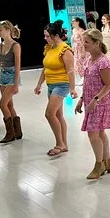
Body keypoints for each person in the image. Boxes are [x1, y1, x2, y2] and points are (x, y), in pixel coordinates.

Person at [75, 29, 110, 180]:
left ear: (97, 43)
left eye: (87, 42)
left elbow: (109, 84)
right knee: (99, 132)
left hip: (102, 102)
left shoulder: (103, 62)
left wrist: (96, 99)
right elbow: (87, 83)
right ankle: (107, 161)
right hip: (91, 101)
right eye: (83, 41)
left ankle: (99, 164)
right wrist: (81, 99)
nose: (83, 44)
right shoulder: (89, 60)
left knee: (93, 133)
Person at [34, 20, 77, 157]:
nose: (45, 38)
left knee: (49, 114)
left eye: (48, 36)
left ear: (56, 36)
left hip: (61, 85)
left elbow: (70, 71)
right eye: (45, 36)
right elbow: (45, 67)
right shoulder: (49, 48)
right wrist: (39, 84)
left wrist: (72, 88)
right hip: (51, 85)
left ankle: (59, 144)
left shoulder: (65, 50)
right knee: (58, 115)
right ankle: (64, 144)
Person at [0, 21, 22, 144]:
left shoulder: (15, 45)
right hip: (3, 76)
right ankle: (17, 131)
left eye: (0, 30)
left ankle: (10, 132)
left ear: (8, 30)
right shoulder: (0, 46)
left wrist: (16, 84)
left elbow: (18, 66)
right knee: (9, 105)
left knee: (2, 104)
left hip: (12, 76)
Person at [71, 17, 88, 85]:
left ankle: (84, 77)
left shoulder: (81, 31)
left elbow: (83, 41)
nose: (72, 22)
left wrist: (83, 51)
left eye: (73, 21)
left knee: (82, 63)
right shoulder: (74, 30)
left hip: (81, 49)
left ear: (77, 22)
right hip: (76, 50)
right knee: (77, 64)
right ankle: (82, 77)